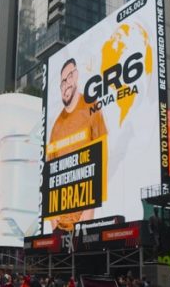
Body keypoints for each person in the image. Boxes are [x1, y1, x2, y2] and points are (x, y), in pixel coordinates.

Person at [47, 58, 108, 232]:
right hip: (59, 224)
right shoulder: (56, 127)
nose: (64, 85)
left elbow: (101, 161)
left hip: (84, 220)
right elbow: (50, 177)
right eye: (61, 83)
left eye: (68, 79)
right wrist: (53, 220)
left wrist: (88, 213)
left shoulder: (92, 108)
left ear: (76, 76)